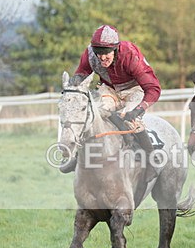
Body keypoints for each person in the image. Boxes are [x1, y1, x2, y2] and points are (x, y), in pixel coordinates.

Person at [66, 24, 161, 171]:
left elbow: (153, 88)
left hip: (134, 90)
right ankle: (78, 157)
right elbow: (82, 72)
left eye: (106, 52)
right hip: (109, 89)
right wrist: (75, 80)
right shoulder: (90, 54)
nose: (102, 57)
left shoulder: (130, 54)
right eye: (99, 52)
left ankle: (151, 157)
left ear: (115, 49)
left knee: (130, 119)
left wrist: (139, 109)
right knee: (93, 115)